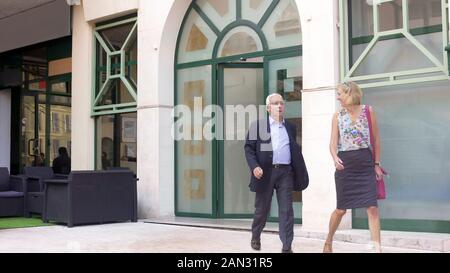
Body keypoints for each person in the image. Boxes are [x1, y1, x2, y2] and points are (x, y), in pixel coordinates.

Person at [244, 93, 309, 253]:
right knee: (262, 209)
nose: (279, 106)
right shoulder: (257, 126)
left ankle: (287, 247)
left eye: (281, 103)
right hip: (264, 173)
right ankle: (256, 235)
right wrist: (255, 167)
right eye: (275, 103)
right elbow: (248, 149)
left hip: (285, 172)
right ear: (268, 108)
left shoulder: (290, 127)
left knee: (287, 211)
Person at [323, 81, 383, 253]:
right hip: (345, 165)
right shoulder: (337, 116)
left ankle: (376, 249)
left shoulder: (368, 111)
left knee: (372, 208)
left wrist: (377, 164)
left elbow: (377, 139)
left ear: (350, 93)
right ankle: (328, 240)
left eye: (339, 93)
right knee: (341, 210)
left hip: (365, 162)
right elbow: (333, 143)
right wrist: (335, 158)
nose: (337, 97)